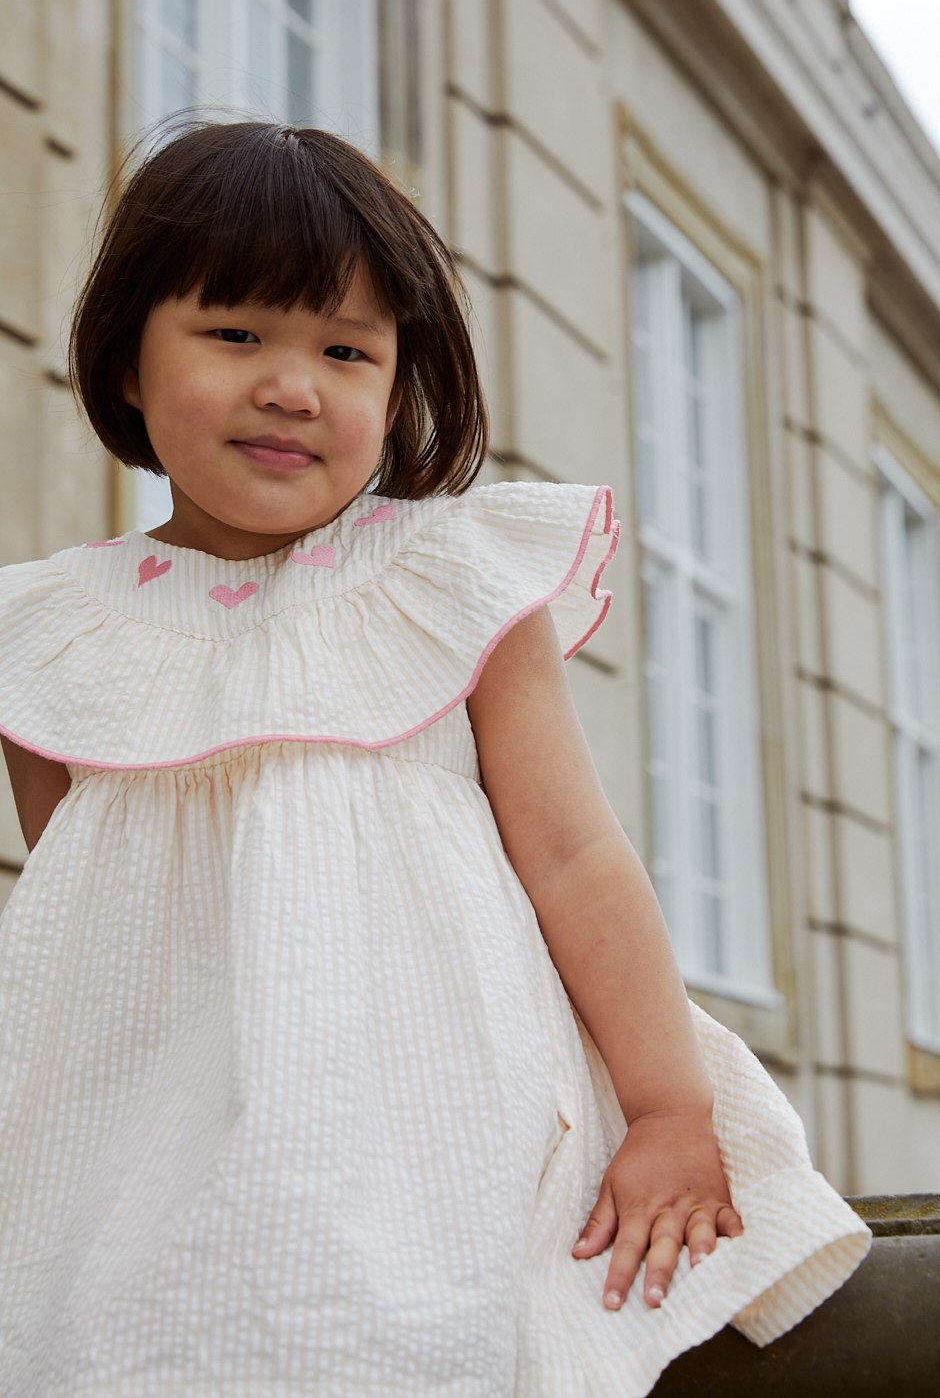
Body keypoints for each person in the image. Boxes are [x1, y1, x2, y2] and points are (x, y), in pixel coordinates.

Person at [0, 118, 869, 1397]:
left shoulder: (445, 584)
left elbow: (575, 858)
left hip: (424, 1104)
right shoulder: (53, 634)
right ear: (127, 359)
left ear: (398, 382)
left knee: (400, 1334)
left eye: (346, 350)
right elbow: (81, 930)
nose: (293, 385)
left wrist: (672, 1106)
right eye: (235, 334)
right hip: (139, 1139)